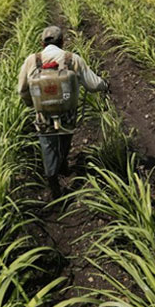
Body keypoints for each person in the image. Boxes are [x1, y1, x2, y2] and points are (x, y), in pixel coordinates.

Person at [17, 26, 108, 197]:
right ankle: (63, 163)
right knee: (65, 137)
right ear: (62, 41)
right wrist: (106, 85)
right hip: (67, 114)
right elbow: (93, 84)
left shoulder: (32, 60)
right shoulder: (72, 59)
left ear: (42, 43)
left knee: (47, 144)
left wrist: (32, 104)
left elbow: (22, 89)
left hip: (43, 115)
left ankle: (53, 179)